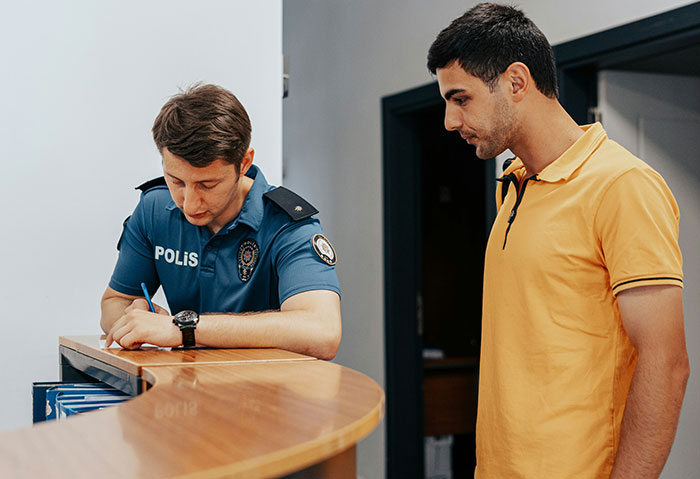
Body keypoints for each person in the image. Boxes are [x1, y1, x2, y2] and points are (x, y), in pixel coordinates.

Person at [428, 3, 689, 478]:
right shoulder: (513, 186)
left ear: (516, 81)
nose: (449, 120)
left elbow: (667, 363)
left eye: (460, 98)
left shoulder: (622, 185)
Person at [100, 84, 341, 360]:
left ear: (244, 163)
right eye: (176, 181)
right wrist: (133, 318)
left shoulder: (288, 225)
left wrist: (184, 329)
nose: (189, 203)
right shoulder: (154, 209)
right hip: (185, 387)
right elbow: (113, 303)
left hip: (268, 393)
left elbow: (323, 332)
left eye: (207, 184)